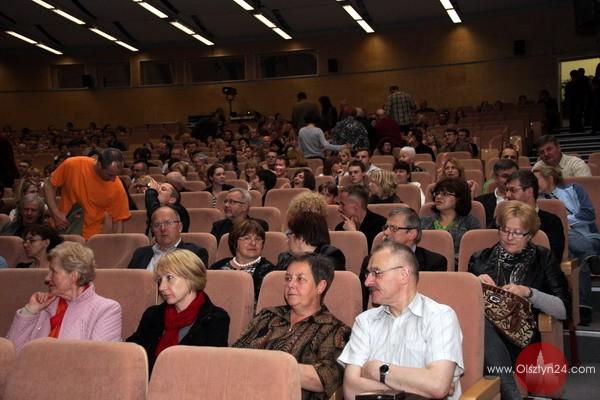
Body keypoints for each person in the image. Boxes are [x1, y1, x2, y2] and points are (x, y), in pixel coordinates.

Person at [468, 201, 570, 399]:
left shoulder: (543, 259)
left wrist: (528, 292)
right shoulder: (480, 258)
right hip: (480, 336)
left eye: (517, 233)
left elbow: (563, 309)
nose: (509, 237)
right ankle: (512, 394)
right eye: (505, 230)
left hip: (522, 337)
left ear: (530, 235)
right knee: (481, 326)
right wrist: (473, 285)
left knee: (481, 331)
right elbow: (463, 306)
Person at [338, 241, 463, 399]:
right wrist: (419, 388)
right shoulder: (365, 322)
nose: (367, 282)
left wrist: (377, 370)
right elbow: (351, 390)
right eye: (367, 274)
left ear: (404, 274)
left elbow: (437, 386)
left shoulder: (440, 317)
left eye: (376, 272)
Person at [234, 253, 351, 400]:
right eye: (288, 278)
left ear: (320, 287)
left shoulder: (335, 330)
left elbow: (325, 379)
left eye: (300, 279)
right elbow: (235, 355)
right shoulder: (267, 315)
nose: (291, 284)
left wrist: (267, 365)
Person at [7, 241, 122, 352]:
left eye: (53, 272)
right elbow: (12, 351)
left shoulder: (105, 310)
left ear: (74, 276)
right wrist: (29, 311)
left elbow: (99, 359)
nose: (47, 278)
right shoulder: (44, 305)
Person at [127, 249, 229, 371]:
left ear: (191, 277)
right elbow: (132, 354)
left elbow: (209, 370)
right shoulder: (153, 315)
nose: (161, 287)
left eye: (169, 278)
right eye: (160, 280)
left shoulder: (215, 319)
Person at [533, 165, 599, 325]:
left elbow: (589, 214)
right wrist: (561, 223)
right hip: (566, 240)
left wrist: (565, 220)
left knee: (573, 246)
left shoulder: (574, 189)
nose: (533, 184)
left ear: (549, 178)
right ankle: (591, 258)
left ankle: (584, 308)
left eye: (536, 179)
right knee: (570, 245)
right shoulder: (537, 200)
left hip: (588, 236)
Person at [358, 207, 447, 308]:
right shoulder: (370, 261)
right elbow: (364, 303)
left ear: (411, 234)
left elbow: (431, 303)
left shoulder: (434, 263)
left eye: (393, 228)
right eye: (386, 227)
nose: (386, 232)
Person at [44, 148, 130, 240]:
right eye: (110, 175)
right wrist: (55, 213)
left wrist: (116, 243)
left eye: (116, 175)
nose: (113, 179)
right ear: (99, 164)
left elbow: (118, 220)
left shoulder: (117, 187)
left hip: (93, 237)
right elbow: (49, 184)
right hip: (67, 228)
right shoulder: (73, 164)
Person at [503, 170, 565, 262]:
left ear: (529, 191)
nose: (507, 195)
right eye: (507, 190)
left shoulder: (551, 222)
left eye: (513, 190)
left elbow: (554, 258)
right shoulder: (501, 220)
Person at [210, 219, 275, 300]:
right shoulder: (216, 267)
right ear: (235, 242)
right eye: (247, 238)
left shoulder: (270, 272)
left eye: (258, 239)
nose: (253, 243)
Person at [128, 206, 209, 269]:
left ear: (180, 227)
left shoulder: (194, 253)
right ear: (152, 230)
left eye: (168, 223)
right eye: (157, 225)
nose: (162, 228)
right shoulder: (140, 254)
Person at [420, 178, 481, 258]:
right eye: (437, 193)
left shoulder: (471, 223)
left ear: (459, 198)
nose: (438, 197)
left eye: (445, 194)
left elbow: (475, 254)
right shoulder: (423, 222)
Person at [278, 211, 345, 271]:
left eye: (289, 234)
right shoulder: (286, 258)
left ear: (301, 238)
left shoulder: (332, 256)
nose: (287, 240)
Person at [335, 185, 386, 251]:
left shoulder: (381, 225)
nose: (339, 209)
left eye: (342, 204)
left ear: (356, 207)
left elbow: (372, 254)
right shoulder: (340, 228)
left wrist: (354, 234)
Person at [475, 159, 519, 227]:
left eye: (514, 176)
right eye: (505, 176)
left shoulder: (523, 200)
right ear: (495, 178)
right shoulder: (481, 202)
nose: (510, 179)